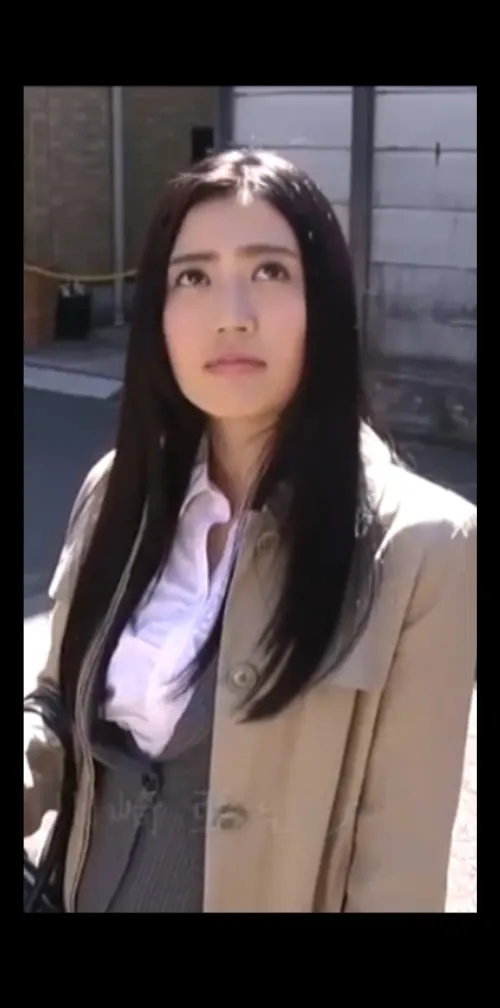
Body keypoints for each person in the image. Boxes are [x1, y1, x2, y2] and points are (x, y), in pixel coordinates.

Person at [23, 149, 477, 913]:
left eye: (269, 270)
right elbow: (56, 703)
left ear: (323, 303)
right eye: (192, 277)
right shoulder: (118, 492)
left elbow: (398, 874)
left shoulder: (424, 549)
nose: (230, 312)